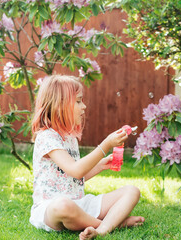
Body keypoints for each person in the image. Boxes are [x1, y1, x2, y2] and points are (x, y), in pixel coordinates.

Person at [29, 75, 144, 240]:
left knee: (132, 191)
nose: (84, 106)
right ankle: (114, 224)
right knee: (63, 205)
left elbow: (74, 178)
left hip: (79, 204)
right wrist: (105, 145)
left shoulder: (70, 138)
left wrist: (100, 166)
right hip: (51, 209)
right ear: (59, 105)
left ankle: (103, 228)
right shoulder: (47, 138)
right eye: (78, 101)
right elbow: (76, 170)